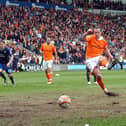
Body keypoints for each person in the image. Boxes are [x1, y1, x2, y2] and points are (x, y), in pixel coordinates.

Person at [83, 27, 118, 96]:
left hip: (98, 57)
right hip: (89, 60)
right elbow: (84, 38)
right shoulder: (91, 37)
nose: (96, 34)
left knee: (102, 58)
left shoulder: (103, 41)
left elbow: (106, 49)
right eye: (95, 32)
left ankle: (108, 66)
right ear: (94, 33)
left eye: (98, 32)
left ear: (100, 32)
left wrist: (110, 56)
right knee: (98, 76)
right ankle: (105, 90)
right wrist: (86, 33)